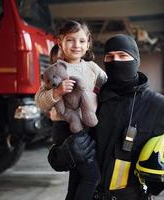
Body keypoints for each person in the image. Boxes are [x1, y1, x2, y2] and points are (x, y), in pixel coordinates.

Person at [48, 34, 164, 200]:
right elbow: (55, 157)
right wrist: (65, 154)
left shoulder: (158, 106)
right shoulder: (87, 99)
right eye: (109, 57)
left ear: (136, 61)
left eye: (122, 55)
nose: (115, 61)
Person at [35, 20, 107, 200]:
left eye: (82, 41)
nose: (76, 45)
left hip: (88, 128)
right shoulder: (54, 70)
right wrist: (57, 92)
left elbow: (107, 84)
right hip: (65, 130)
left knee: (78, 177)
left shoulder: (92, 67)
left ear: (88, 43)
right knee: (92, 177)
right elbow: (40, 101)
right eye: (70, 40)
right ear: (60, 42)